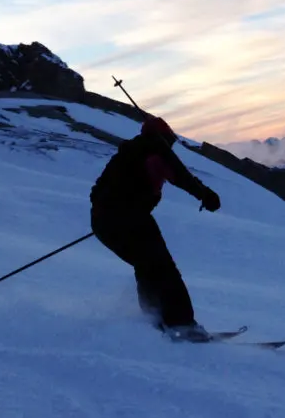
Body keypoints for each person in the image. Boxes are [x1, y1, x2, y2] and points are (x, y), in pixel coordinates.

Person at [90, 115, 222, 340]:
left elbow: (98, 191)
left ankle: (154, 319)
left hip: (103, 221)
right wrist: (206, 196)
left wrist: (108, 215)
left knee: (146, 265)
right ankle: (182, 324)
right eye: (170, 141)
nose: (171, 147)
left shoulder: (128, 152)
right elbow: (181, 176)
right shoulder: (156, 150)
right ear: (164, 137)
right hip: (130, 218)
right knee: (163, 268)